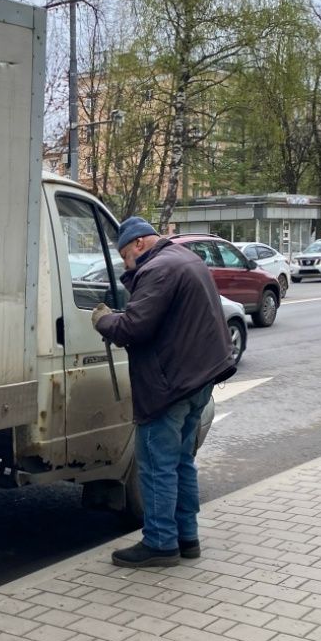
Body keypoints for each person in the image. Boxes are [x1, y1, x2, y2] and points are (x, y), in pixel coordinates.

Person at [91, 217, 235, 568]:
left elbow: (134, 328)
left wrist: (103, 320)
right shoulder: (186, 259)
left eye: (126, 257)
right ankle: (187, 537)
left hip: (170, 385)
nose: (126, 265)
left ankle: (160, 543)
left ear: (139, 244)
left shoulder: (159, 270)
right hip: (198, 380)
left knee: (156, 465)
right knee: (182, 461)